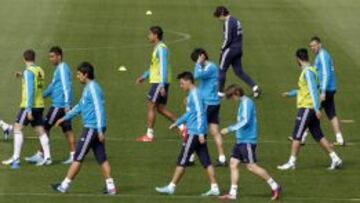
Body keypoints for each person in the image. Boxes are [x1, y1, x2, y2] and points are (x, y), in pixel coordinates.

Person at [51, 62, 116, 195]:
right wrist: (64, 118)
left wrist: (99, 130)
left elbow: (99, 109)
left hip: (92, 129)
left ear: (86, 74)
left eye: (79, 74)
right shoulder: (88, 88)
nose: (77, 77)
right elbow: (80, 106)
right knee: (101, 158)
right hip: (94, 128)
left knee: (78, 157)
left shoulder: (92, 88)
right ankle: (111, 188)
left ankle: (64, 186)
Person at [155, 72, 220, 197]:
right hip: (197, 132)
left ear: (189, 81)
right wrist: (177, 122)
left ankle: (171, 187)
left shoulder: (195, 95)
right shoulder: (193, 94)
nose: (181, 86)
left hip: (194, 133)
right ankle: (215, 187)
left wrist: (201, 132)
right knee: (206, 161)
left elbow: (201, 113)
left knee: (182, 160)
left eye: (182, 83)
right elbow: (190, 114)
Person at [277, 48, 342, 170]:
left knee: (297, 135)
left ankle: (291, 162)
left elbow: (313, 91)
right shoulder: (312, 70)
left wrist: (317, 109)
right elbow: (305, 90)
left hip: (307, 108)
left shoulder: (307, 72)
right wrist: (290, 94)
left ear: (298, 59)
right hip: (311, 108)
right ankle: (335, 158)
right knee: (318, 136)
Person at [219, 84, 281, 201]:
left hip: (247, 141)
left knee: (252, 167)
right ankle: (232, 193)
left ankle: (275, 186)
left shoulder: (247, 103)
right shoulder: (243, 103)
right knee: (233, 164)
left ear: (237, 93)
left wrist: (229, 129)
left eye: (231, 97)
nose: (232, 100)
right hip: (240, 140)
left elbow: (246, 121)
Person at [25, 46, 76, 165]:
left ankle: (41, 154)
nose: (50, 59)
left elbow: (66, 87)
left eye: (52, 56)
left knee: (44, 127)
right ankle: (74, 155)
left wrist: (67, 104)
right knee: (67, 130)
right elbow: (52, 87)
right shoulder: (59, 69)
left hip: (59, 105)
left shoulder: (62, 68)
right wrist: (40, 96)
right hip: (63, 106)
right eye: (49, 57)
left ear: (59, 56)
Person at [2, 49, 52, 166]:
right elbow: (35, 82)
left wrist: (28, 109)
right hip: (39, 105)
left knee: (17, 128)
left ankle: (16, 157)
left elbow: (30, 90)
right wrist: (22, 75)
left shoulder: (29, 72)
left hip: (29, 106)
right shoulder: (39, 70)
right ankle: (48, 157)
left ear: (24, 59)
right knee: (40, 130)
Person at [136, 26, 185, 142]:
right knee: (160, 108)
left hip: (159, 82)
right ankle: (183, 127)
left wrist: (162, 84)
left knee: (150, 106)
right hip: (159, 81)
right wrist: (145, 76)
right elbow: (154, 66)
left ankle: (149, 135)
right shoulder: (157, 48)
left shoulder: (161, 49)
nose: (148, 36)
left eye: (150, 34)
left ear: (155, 35)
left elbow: (163, 66)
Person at [213, 6, 261, 98]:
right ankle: (255, 87)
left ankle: (220, 93)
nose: (219, 19)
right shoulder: (236, 20)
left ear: (222, 14)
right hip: (238, 49)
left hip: (230, 50)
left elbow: (227, 39)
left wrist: (222, 49)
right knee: (239, 71)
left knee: (222, 69)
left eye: (218, 16)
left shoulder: (228, 22)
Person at [190, 48, 227, 167]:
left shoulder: (210, 67)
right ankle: (222, 158)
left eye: (197, 59)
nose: (197, 62)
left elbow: (196, 76)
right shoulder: (209, 67)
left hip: (207, 103)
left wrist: (197, 64)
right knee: (215, 131)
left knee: (198, 128)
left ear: (202, 56)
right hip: (213, 103)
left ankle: (190, 158)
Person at [309, 36, 345, 146]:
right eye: (311, 46)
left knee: (312, 110)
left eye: (314, 45)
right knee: (331, 113)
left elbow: (326, 74)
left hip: (325, 89)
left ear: (320, 44)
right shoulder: (322, 55)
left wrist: (323, 91)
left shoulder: (323, 56)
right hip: (330, 89)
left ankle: (300, 137)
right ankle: (339, 138)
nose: (313, 48)